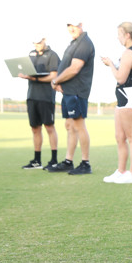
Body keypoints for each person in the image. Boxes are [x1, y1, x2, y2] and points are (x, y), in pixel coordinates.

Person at [47, 20, 95, 175]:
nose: (71, 28)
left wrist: (55, 80)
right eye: (68, 25)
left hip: (77, 92)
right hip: (68, 91)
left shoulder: (84, 43)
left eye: (73, 25)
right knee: (69, 126)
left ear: (81, 24)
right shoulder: (74, 43)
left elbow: (74, 69)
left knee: (79, 126)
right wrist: (58, 83)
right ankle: (68, 161)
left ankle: (85, 163)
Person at [101, 22, 132, 184]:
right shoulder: (127, 53)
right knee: (120, 137)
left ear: (127, 35)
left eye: (119, 34)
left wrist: (111, 65)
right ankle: (121, 171)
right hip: (123, 99)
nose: (117, 37)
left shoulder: (129, 53)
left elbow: (121, 78)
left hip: (131, 98)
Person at [18, 37, 60, 170]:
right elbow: (29, 72)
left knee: (49, 127)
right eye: (34, 42)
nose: (37, 45)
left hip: (46, 97)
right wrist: (25, 75)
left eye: (39, 42)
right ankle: (37, 161)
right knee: (35, 128)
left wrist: (33, 78)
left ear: (44, 40)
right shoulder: (31, 54)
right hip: (32, 96)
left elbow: (54, 76)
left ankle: (54, 160)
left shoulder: (52, 55)